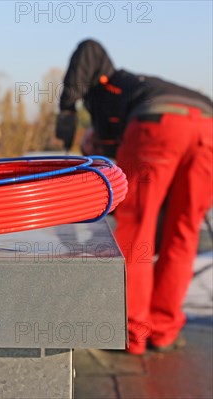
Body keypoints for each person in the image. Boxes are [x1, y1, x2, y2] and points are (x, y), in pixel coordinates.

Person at [55, 39, 213, 355]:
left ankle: (133, 333)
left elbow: (88, 48)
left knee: (135, 229)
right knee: (183, 233)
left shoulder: (106, 86)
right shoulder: (136, 88)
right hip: (208, 127)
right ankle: (164, 332)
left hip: (158, 123)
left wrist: (67, 108)